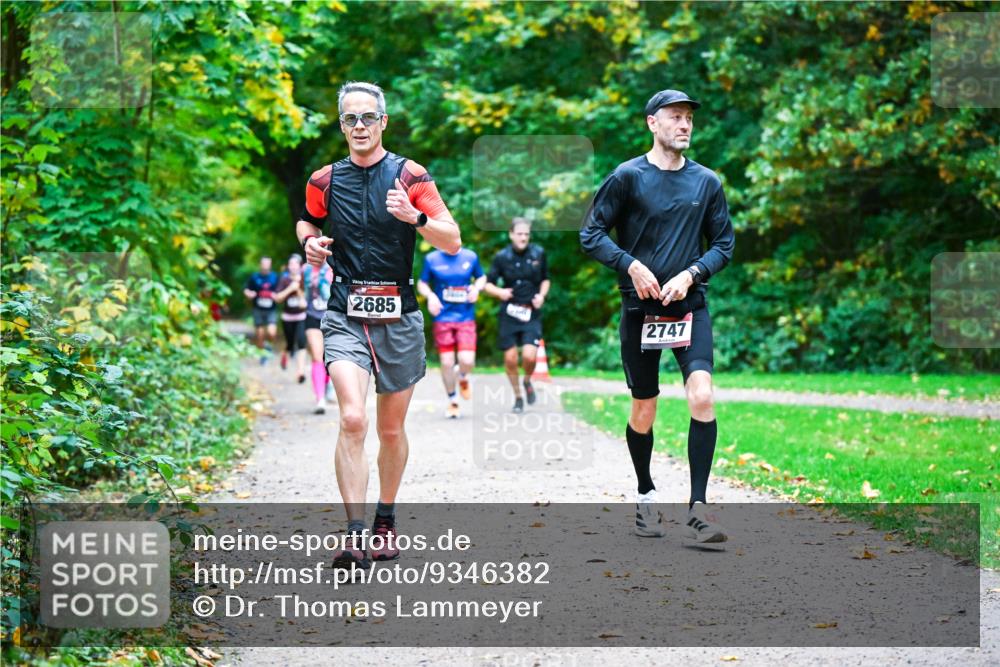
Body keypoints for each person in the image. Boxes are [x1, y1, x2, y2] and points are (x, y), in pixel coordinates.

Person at [296, 81, 461, 569]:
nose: (360, 127)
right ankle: (353, 533)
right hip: (345, 310)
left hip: (400, 315)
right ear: (341, 125)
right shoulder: (325, 179)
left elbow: (451, 240)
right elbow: (307, 221)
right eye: (351, 119)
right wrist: (309, 243)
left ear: (384, 122)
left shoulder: (410, 175)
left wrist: (416, 218)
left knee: (390, 429)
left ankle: (385, 521)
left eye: (369, 117)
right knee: (352, 417)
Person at [579, 89, 735, 543]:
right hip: (639, 311)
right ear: (652, 123)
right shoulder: (626, 177)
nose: (684, 125)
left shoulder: (707, 182)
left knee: (702, 396)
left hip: (689, 308)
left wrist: (692, 273)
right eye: (675, 117)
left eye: (689, 118)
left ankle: (699, 508)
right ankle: (647, 493)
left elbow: (723, 244)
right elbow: (590, 234)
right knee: (644, 408)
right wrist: (630, 264)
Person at [484, 218, 549, 413]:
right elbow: (488, 284)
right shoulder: (501, 257)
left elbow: (546, 279)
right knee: (511, 359)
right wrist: (500, 292)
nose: (523, 237)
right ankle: (518, 397)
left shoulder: (539, 253)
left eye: (526, 234)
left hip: (531, 312)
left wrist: (541, 296)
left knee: (529, 356)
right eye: (519, 234)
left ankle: (527, 380)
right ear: (511, 234)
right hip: (510, 312)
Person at [417, 247, 486, 418]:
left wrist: (477, 288)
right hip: (443, 316)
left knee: (467, 360)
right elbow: (422, 283)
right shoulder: (432, 258)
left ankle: (462, 376)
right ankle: (453, 400)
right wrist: (431, 296)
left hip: (465, 317)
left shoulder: (470, 256)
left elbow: (481, 277)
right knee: (447, 363)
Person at [303, 261, 337, 414]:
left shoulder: (336, 267)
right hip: (312, 316)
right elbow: (299, 289)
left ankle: (328, 384)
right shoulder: (306, 269)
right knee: (317, 357)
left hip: (332, 317)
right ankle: (320, 399)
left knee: (328, 357)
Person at [274, 254, 308, 383]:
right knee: (289, 344)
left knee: (301, 343)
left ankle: (300, 372)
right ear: (288, 266)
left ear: (300, 266)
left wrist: (298, 289)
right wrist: (290, 289)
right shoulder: (284, 280)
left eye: (295, 264)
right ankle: (285, 354)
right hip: (287, 317)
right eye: (291, 264)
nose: (293, 267)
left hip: (301, 316)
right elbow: (278, 298)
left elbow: (304, 303)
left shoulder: (305, 279)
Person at [243, 256, 279, 365]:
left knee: (272, 332)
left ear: (270, 265)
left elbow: (281, 289)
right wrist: (249, 294)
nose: (266, 266)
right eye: (264, 263)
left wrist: (277, 295)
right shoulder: (254, 277)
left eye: (268, 263)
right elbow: (246, 289)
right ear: (260, 264)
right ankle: (263, 354)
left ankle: (269, 346)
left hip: (271, 309)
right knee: (259, 334)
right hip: (258, 308)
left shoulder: (275, 277)